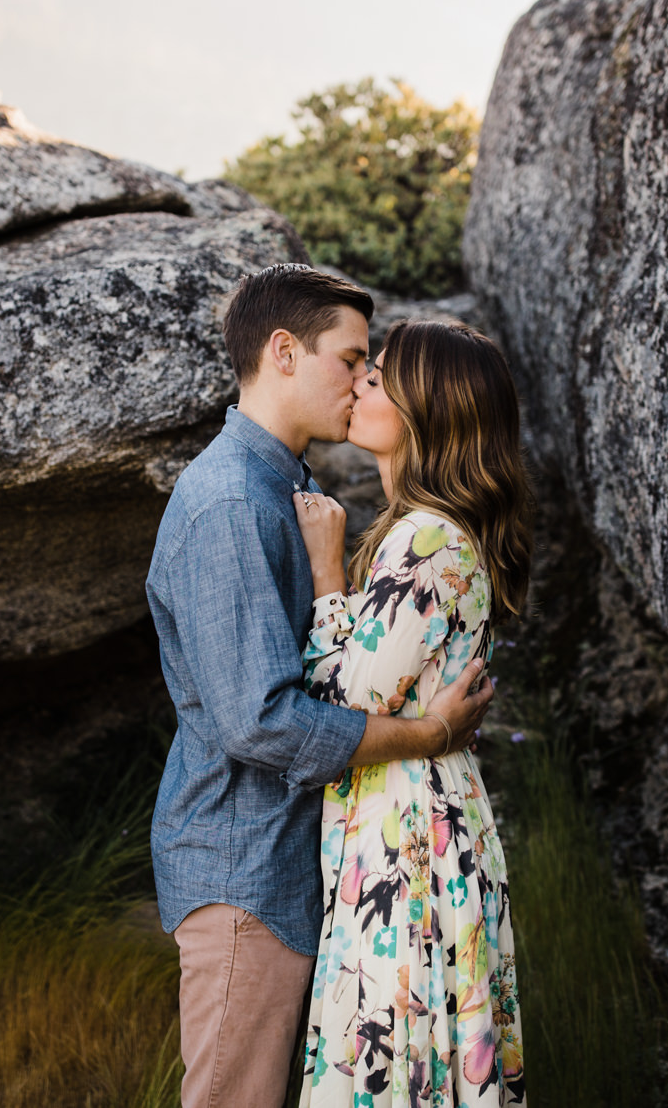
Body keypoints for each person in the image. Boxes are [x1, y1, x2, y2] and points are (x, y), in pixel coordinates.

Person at [147, 264, 498, 1108]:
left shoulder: (291, 490)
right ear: (282, 353)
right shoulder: (231, 501)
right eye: (350, 359)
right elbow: (261, 722)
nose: (361, 380)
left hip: (297, 869)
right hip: (244, 873)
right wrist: (425, 735)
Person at [291, 318, 531, 1106]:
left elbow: (337, 705)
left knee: (391, 1066)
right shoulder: (422, 535)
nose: (360, 382)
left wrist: (328, 575)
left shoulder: (426, 542)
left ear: (429, 408)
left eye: (380, 375)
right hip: (414, 821)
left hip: (407, 841)